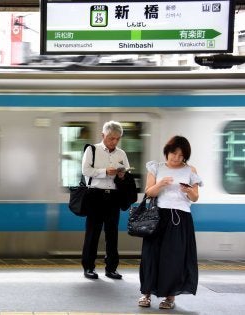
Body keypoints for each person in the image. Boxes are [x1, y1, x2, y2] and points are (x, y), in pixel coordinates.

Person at [138, 136, 201, 310]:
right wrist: (160, 184)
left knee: (174, 259)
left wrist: (189, 191)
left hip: (180, 219)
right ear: (167, 151)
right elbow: (149, 193)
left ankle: (170, 297)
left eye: (181, 155)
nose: (176, 158)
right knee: (151, 255)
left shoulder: (190, 170)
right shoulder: (156, 168)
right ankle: (146, 293)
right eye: (174, 153)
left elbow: (195, 198)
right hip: (158, 217)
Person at [81, 121, 130, 280]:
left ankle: (111, 268)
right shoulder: (92, 149)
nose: (114, 142)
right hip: (95, 196)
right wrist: (104, 172)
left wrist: (122, 175)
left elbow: (126, 173)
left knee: (112, 234)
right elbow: (85, 170)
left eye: (117, 139)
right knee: (93, 233)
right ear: (103, 136)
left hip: (113, 197)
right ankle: (89, 267)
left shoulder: (121, 154)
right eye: (111, 138)